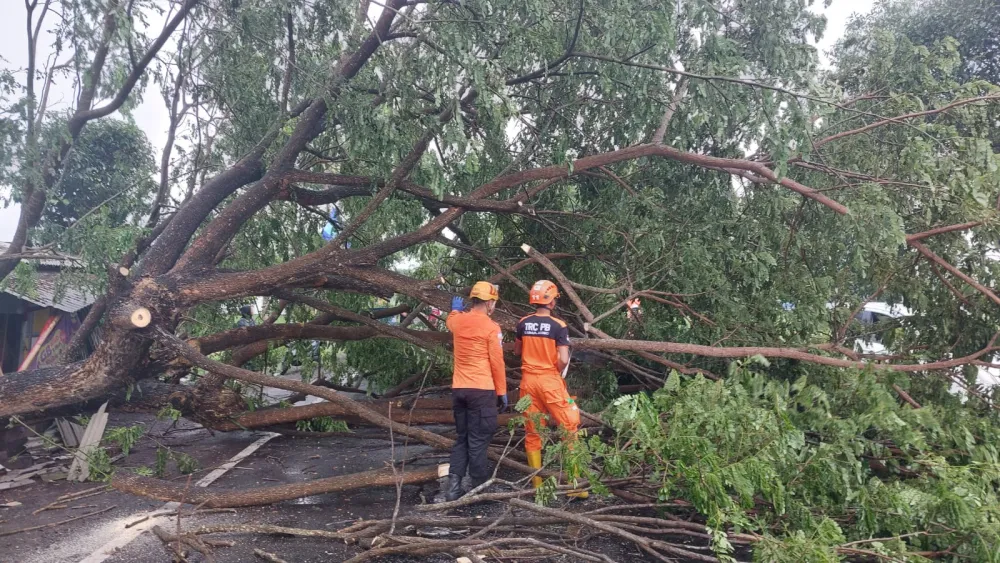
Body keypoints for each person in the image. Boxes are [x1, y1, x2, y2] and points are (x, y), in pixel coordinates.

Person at [514, 280, 585, 496]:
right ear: (552, 301)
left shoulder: (523, 323)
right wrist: (555, 365)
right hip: (550, 381)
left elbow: (517, 351)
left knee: (533, 431)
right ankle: (575, 487)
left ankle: (538, 486)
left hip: (528, 382)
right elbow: (563, 358)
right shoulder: (558, 326)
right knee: (570, 426)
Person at [443, 281, 507, 501]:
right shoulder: (491, 328)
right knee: (479, 439)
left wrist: (454, 309)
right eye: (494, 303)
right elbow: (497, 363)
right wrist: (502, 391)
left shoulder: (458, 321)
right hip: (481, 390)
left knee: (463, 438)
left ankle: (453, 488)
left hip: (459, 389)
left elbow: (449, 321)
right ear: (489, 303)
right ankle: (479, 489)